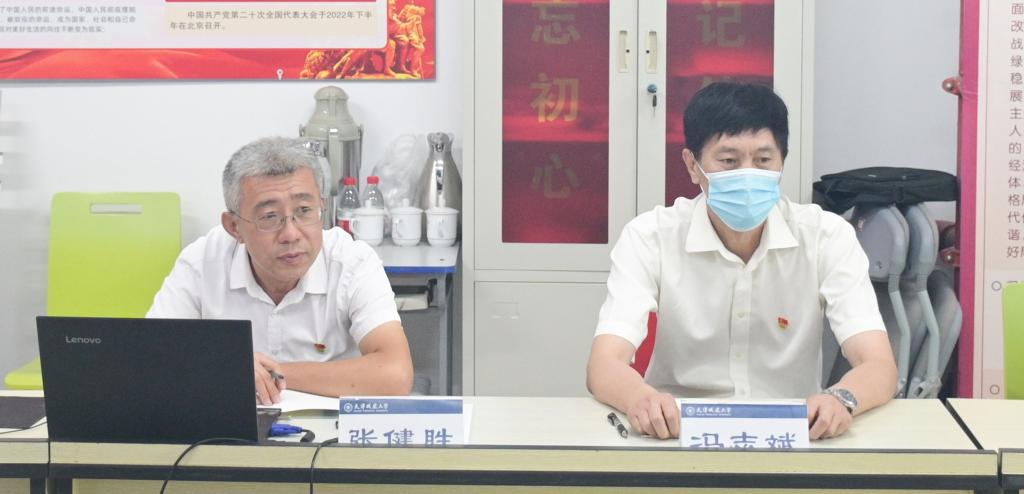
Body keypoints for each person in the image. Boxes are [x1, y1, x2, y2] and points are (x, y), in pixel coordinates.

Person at [586, 82, 898, 440]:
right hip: (678, 432)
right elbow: (604, 363)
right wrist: (640, 399)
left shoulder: (826, 236)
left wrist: (841, 399)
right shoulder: (650, 237)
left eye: (763, 160)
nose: (748, 175)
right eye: (729, 161)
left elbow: (878, 364)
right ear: (692, 165)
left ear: (782, 162)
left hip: (791, 434)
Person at [147, 137, 414, 405]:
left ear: (322, 208)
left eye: (304, 210)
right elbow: (150, 361)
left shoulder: (352, 262)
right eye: (269, 217)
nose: (291, 234)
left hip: (331, 426)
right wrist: (223, 367)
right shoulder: (202, 262)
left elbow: (395, 374)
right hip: (233, 425)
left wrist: (258, 371)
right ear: (234, 227)